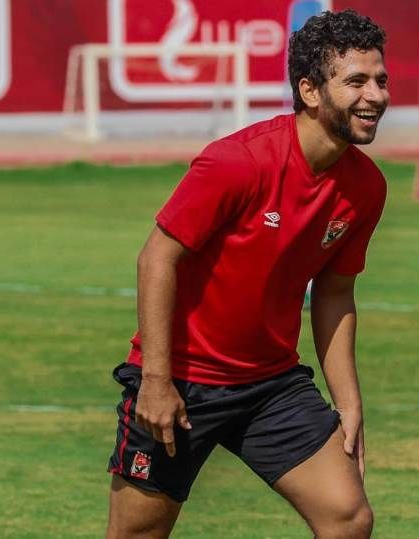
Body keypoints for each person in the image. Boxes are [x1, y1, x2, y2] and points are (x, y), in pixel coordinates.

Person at [106, 9, 390, 538]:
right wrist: (157, 382)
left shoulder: (367, 187)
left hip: (271, 385)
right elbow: (156, 258)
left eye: (380, 80)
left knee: (349, 518)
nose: (375, 95)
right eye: (356, 81)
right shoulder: (238, 162)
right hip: (183, 381)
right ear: (310, 91)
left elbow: (335, 293)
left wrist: (349, 404)